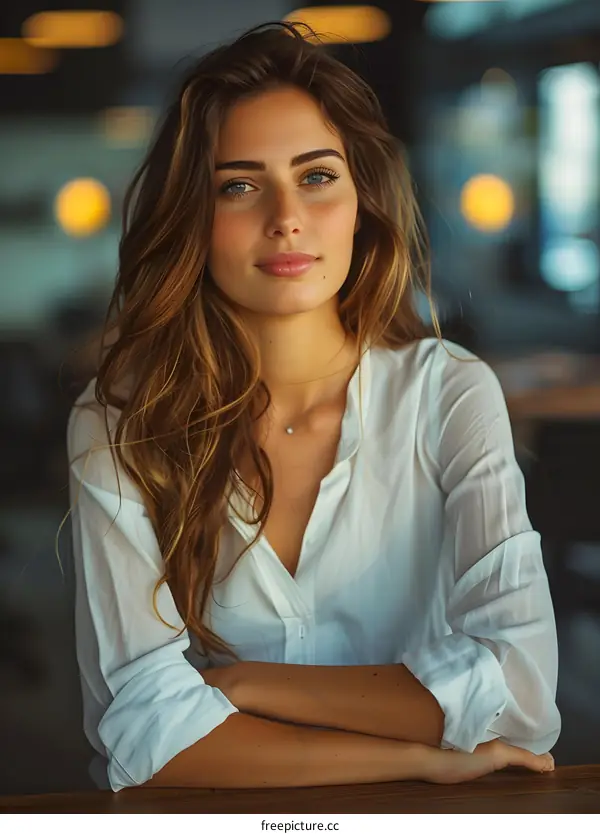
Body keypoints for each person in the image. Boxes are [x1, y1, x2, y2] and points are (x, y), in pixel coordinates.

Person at [64, 22, 561, 793]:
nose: (286, 217)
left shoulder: (448, 395)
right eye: (239, 185)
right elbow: (144, 732)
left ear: (361, 200)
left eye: (318, 176)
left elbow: (521, 695)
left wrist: (243, 686)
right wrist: (423, 758)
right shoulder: (120, 423)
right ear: (193, 217)